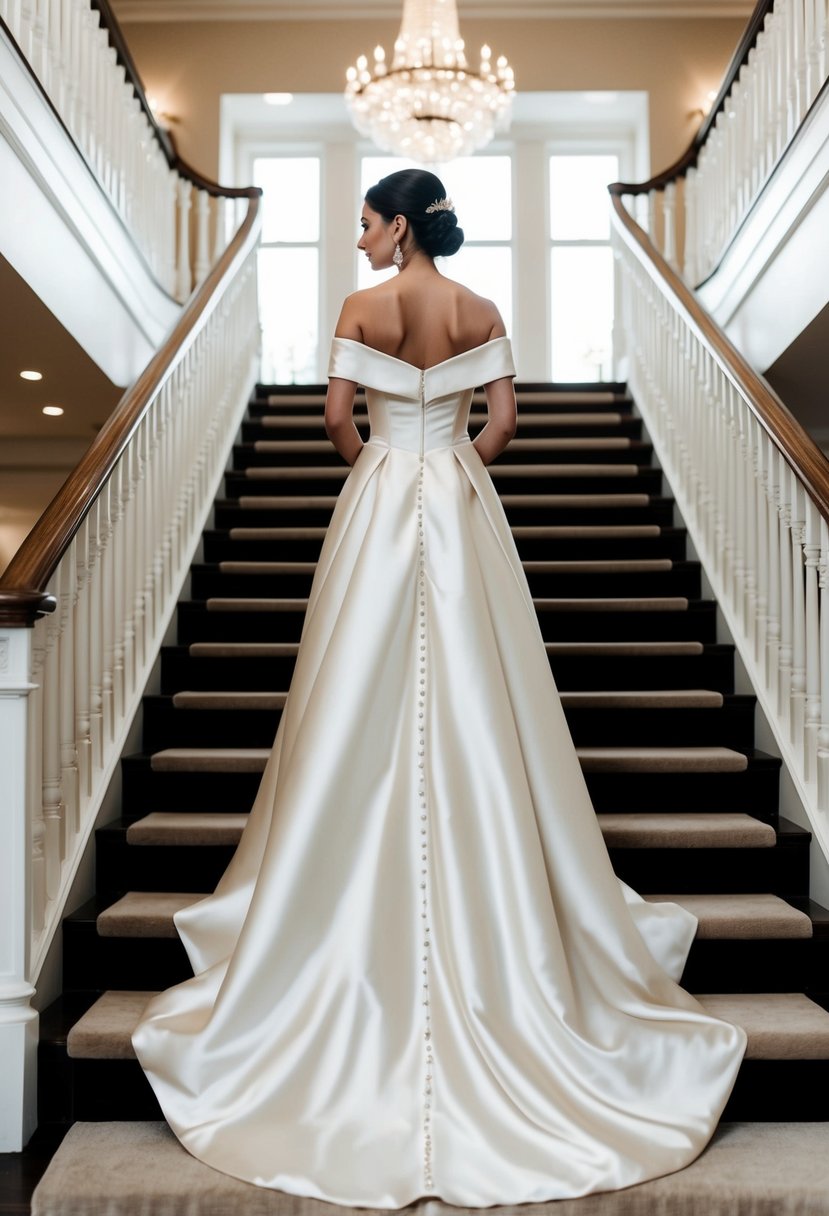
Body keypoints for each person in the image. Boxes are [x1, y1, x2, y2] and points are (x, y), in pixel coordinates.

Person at [132, 168, 747, 1207]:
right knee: (475, 685)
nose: (359, 239)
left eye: (365, 222)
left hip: (381, 498)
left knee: (352, 690)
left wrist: (378, 464)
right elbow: (503, 422)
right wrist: (455, 462)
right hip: (459, 499)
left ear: (399, 222)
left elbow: (337, 417)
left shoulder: (363, 307)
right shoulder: (479, 309)